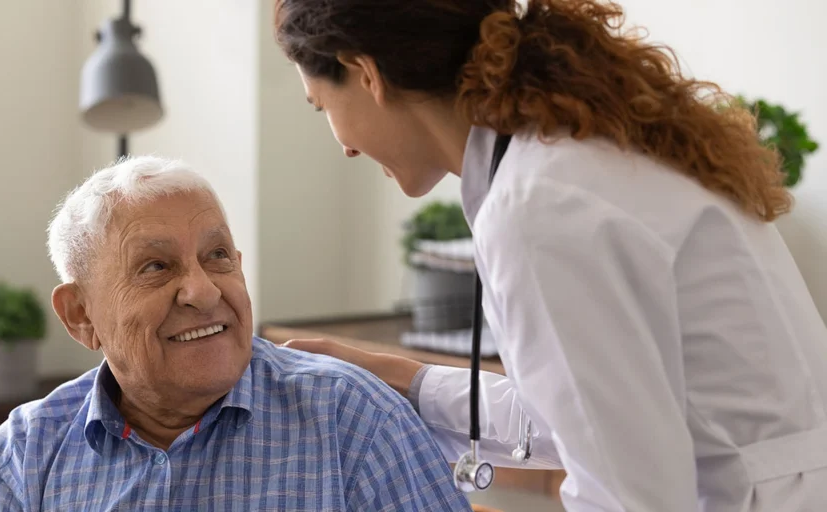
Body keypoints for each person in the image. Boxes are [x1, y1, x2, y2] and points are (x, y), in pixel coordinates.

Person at [273, 0, 827, 510]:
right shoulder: (573, 157)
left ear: (366, 73)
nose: (343, 145)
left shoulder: (539, 207)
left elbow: (627, 497)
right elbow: (582, 418)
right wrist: (406, 381)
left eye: (321, 104)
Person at [0, 156, 472, 511]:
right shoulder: (24, 456)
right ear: (80, 316)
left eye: (217, 256)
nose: (203, 292)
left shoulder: (353, 422)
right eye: (156, 267)